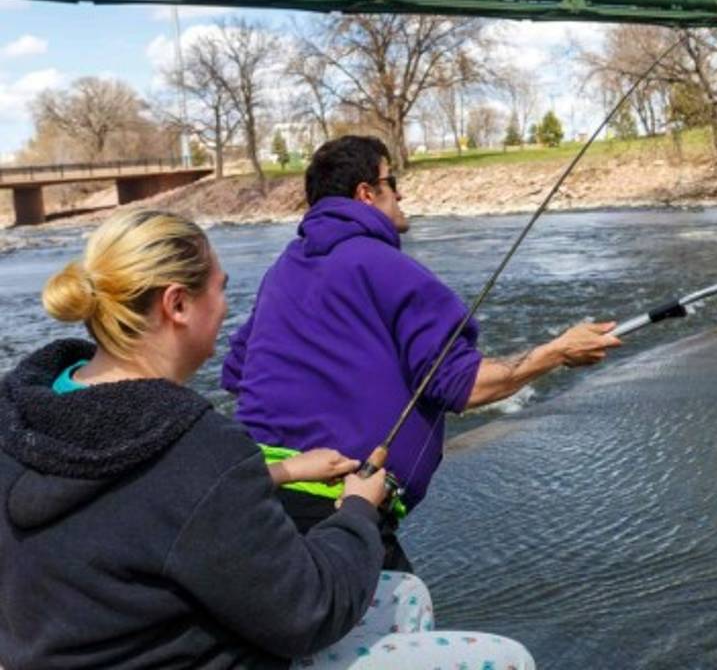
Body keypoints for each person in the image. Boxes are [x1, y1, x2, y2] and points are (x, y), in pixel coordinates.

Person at [0, 209, 534, 669]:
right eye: (220, 289)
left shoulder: (24, 413)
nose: (225, 308)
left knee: (404, 596)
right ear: (177, 305)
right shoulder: (194, 446)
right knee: (506, 659)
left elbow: (138, 508)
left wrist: (282, 470)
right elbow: (310, 611)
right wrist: (357, 509)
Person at [222, 135, 622, 568]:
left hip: (254, 500)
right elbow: (463, 385)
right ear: (366, 194)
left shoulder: (283, 268)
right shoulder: (385, 265)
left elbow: (237, 371)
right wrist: (558, 352)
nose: (401, 194)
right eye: (391, 182)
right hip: (338, 511)